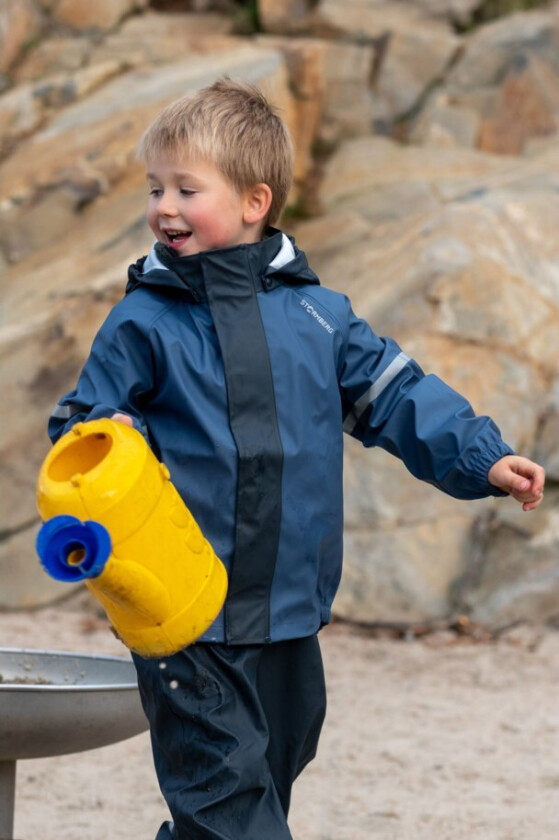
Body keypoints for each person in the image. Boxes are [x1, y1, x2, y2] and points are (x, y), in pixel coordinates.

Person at [48, 77, 545, 840]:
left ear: (254, 201)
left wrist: (481, 459)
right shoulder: (142, 323)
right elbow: (80, 426)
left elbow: (397, 396)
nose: (164, 208)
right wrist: (109, 436)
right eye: (156, 189)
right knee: (227, 799)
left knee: (270, 771)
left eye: (187, 188)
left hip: (286, 606)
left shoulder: (318, 316)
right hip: (186, 608)